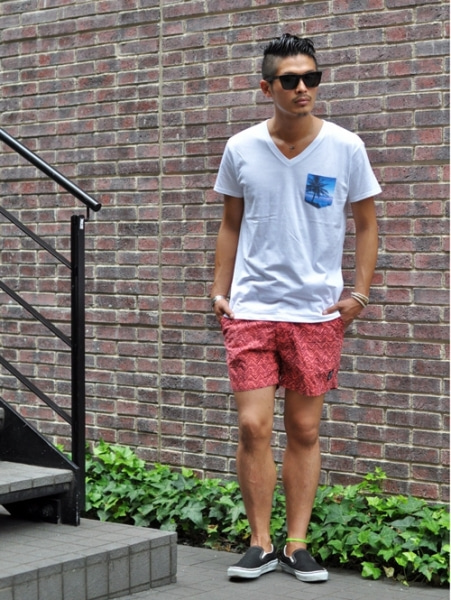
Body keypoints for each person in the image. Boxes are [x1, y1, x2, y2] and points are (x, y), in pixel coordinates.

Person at [210, 33, 381, 583]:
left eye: (311, 77)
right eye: (290, 80)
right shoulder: (241, 147)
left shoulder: (345, 147)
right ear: (267, 88)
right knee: (253, 425)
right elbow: (231, 222)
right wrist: (219, 290)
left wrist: (359, 293)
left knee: (304, 429)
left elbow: (367, 224)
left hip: (316, 312)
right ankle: (259, 543)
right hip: (252, 307)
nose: (303, 87)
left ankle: (297, 544)